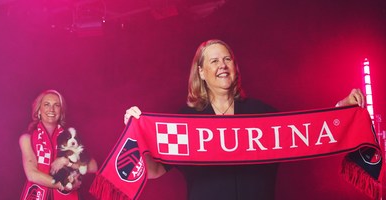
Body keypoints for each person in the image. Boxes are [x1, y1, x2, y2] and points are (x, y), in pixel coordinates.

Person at [123, 39, 365, 200]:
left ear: (236, 67)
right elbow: (153, 170)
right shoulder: (185, 122)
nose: (222, 65)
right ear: (201, 72)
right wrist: (136, 134)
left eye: (227, 59)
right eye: (214, 61)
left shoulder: (263, 113)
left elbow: (310, 133)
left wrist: (342, 109)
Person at [19, 89, 98, 200]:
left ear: (61, 111)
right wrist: (63, 185)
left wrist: (67, 162)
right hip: (37, 195)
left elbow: (93, 167)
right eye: (46, 104)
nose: (51, 109)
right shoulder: (27, 138)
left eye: (57, 105)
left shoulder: (70, 137)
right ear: (39, 111)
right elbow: (32, 174)